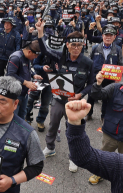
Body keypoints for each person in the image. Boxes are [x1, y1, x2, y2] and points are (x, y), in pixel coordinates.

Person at [36, 21, 94, 173]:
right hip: (59, 99)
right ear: (67, 45)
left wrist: (80, 94)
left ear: (83, 46)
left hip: (76, 103)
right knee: (53, 124)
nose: (76, 48)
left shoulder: (88, 62)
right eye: (73, 45)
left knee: (73, 131)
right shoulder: (60, 57)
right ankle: (50, 147)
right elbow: (45, 50)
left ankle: (73, 157)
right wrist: (40, 32)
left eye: (79, 46)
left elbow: (91, 84)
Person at [88, 26, 123, 119]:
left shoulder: (118, 49)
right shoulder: (95, 48)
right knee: (91, 96)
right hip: (95, 77)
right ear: (102, 36)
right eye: (106, 35)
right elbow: (89, 62)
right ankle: (88, 114)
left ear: (114, 37)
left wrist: (118, 78)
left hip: (110, 79)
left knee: (107, 98)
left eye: (110, 35)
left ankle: (104, 116)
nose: (108, 37)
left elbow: (120, 64)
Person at [5, 40, 42, 119]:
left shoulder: (27, 57)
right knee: (13, 117)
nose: (35, 58)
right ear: (29, 52)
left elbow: (28, 69)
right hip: (14, 94)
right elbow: (10, 75)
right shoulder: (16, 57)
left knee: (22, 115)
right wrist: (25, 82)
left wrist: (34, 75)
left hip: (24, 93)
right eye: (35, 56)